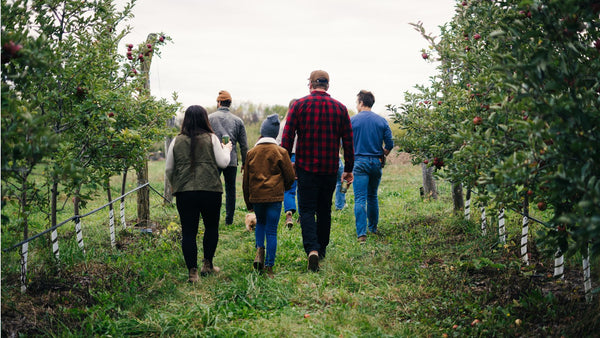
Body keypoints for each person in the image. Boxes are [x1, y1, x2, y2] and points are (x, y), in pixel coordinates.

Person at [281, 70, 354, 272]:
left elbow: (286, 139)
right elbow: (348, 142)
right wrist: (348, 169)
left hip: (305, 168)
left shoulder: (299, 105)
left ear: (310, 85)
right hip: (330, 168)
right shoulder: (340, 108)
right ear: (327, 86)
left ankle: (311, 249)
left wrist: (287, 165)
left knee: (306, 210)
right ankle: (320, 250)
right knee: (324, 210)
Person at [165, 105, 233, 282]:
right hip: (210, 190)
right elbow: (223, 163)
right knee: (211, 227)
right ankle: (208, 265)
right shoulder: (212, 138)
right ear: (205, 119)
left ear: (185, 120)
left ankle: (192, 273)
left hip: (185, 192)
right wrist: (227, 149)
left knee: (188, 232)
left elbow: (169, 169)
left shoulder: (176, 141)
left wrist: (175, 186)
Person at [243, 114, 295, 277]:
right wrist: (282, 188)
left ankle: (259, 251)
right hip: (274, 197)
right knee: (272, 231)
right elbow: (289, 177)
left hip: (257, 197)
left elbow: (246, 181)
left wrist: (248, 201)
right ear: (274, 134)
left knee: (260, 225)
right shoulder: (281, 152)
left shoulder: (251, 153)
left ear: (262, 131)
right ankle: (269, 267)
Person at [351, 90, 394, 243]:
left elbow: (344, 143)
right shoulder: (381, 121)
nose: (356, 105)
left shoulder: (352, 121)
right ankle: (373, 228)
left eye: (357, 102)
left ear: (361, 103)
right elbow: (390, 143)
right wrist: (383, 154)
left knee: (360, 198)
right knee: (372, 196)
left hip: (359, 162)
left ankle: (361, 234)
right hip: (376, 162)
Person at [208, 90, 249, 225]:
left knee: (213, 189)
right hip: (231, 160)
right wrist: (245, 162)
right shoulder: (238, 121)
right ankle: (229, 220)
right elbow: (244, 145)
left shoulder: (210, 118)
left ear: (219, 102)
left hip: (214, 159)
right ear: (229, 103)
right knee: (230, 190)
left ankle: (213, 217)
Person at [276, 99, 298, 228]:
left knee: (289, 188)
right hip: (302, 157)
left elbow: (278, 142)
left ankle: (289, 214)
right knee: (302, 188)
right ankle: (301, 216)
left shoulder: (283, 124)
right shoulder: (303, 123)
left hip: (287, 156)